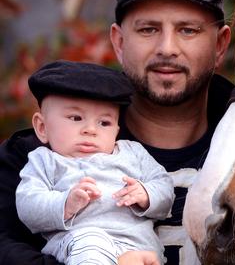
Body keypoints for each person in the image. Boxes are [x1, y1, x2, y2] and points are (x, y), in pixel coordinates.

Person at [0, 0, 233, 265]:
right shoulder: (33, 156)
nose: (166, 47)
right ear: (119, 43)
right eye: (148, 29)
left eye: (188, 30)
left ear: (220, 45)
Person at [16, 60, 174, 265]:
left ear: (116, 131)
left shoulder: (132, 152)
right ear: (42, 127)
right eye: (75, 118)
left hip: (137, 243)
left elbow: (164, 185)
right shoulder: (44, 161)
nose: (91, 130)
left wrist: (146, 194)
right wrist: (65, 203)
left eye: (104, 122)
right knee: (90, 245)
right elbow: (28, 205)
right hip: (82, 242)